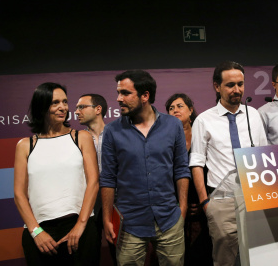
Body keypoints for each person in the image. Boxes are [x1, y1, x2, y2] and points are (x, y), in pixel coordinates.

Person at [100, 70, 191, 266]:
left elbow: (181, 169)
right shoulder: (111, 131)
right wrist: (107, 218)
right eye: (118, 93)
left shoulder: (172, 125)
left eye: (125, 93)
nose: (118, 99)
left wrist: (181, 210)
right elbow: (108, 178)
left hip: (169, 220)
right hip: (129, 224)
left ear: (145, 96)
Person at [189, 61, 268, 265]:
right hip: (222, 201)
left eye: (240, 84)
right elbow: (196, 162)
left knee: (259, 256)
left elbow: (265, 154)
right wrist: (206, 202)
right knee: (225, 260)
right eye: (230, 85)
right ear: (217, 86)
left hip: (256, 196)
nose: (237, 90)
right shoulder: (204, 120)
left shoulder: (254, 115)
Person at [13, 82, 100, 265]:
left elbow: (93, 182)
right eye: (55, 103)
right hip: (41, 235)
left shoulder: (81, 138)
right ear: (42, 106)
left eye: (65, 101)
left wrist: (80, 225)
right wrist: (36, 232)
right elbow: (19, 194)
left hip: (80, 229)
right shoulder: (24, 146)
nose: (63, 107)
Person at [165, 93, 213, 266]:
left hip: (204, 204)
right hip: (174, 206)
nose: (175, 110)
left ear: (191, 110)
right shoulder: (165, 140)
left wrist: (204, 202)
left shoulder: (204, 135)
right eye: (171, 108)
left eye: (179, 106)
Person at [75, 93, 116, 264]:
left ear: (98, 109)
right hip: (86, 205)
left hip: (116, 203)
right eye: (77, 108)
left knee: (120, 255)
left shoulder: (118, 135)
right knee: (88, 255)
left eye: (81, 107)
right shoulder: (75, 139)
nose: (76, 112)